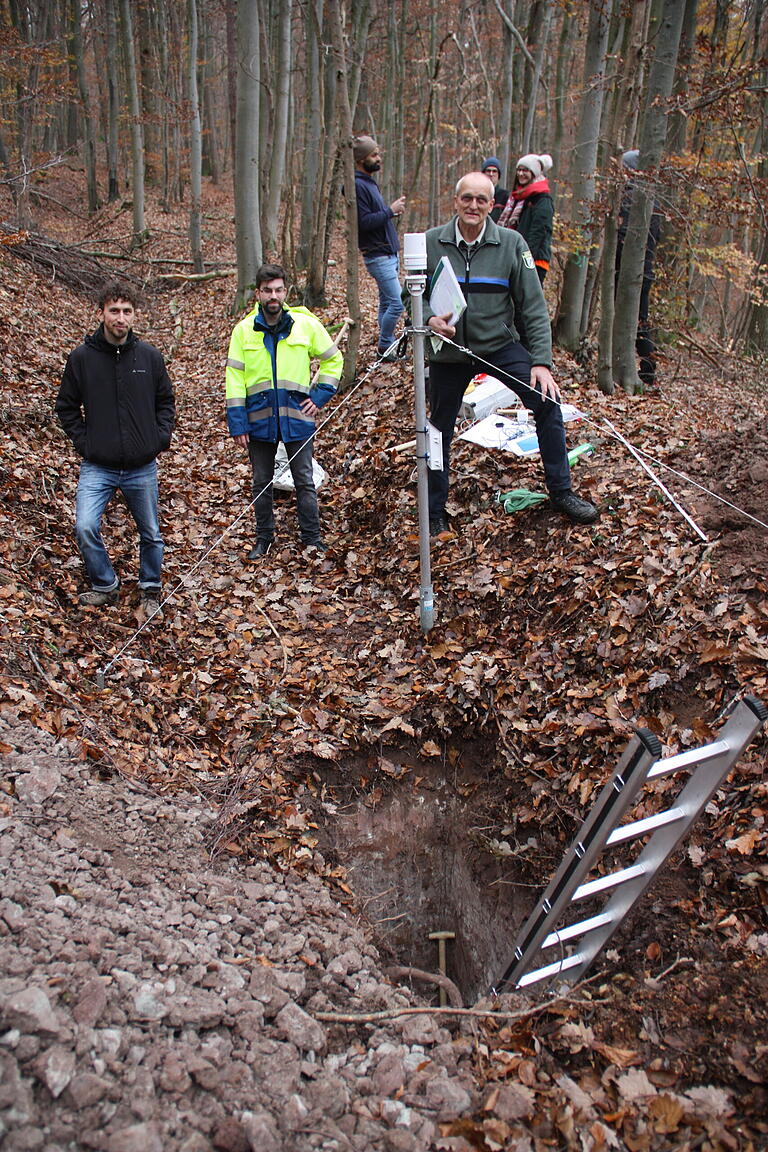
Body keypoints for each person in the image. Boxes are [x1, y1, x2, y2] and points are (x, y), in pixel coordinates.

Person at [423, 172, 598, 535]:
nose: (473, 206)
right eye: (467, 198)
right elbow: (408, 294)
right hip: (449, 353)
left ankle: (561, 492)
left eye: (481, 200)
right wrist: (428, 318)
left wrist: (541, 362)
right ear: (455, 201)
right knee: (437, 429)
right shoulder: (429, 242)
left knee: (547, 402)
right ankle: (434, 511)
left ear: (492, 204)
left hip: (499, 347)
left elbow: (533, 306)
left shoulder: (511, 243)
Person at [55, 281, 175, 617]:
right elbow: (66, 407)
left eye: (126, 312)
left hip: (142, 464)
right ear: (102, 313)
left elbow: (165, 401)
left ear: (134, 315)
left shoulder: (149, 356)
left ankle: (151, 589)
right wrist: (85, 442)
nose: (120, 318)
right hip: (98, 464)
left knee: (151, 532)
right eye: (114, 311)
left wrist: (158, 438)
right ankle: (105, 585)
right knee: (85, 526)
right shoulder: (82, 358)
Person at [225, 263, 343, 559]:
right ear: (258, 293)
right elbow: (235, 380)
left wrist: (319, 396)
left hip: (297, 416)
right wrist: (238, 423)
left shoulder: (305, 324)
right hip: (259, 419)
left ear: (285, 292)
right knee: (261, 482)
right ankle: (264, 538)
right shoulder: (243, 332)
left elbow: (333, 360)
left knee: (304, 479)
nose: (273, 296)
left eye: (278, 290)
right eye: (267, 291)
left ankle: (312, 539)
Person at [353, 135, 406, 360]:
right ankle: (385, 346)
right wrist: (390, 211)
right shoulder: (356, 185)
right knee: (398, 302)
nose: (378, 159)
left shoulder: (367, 183)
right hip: (377, 254)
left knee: (386, 301)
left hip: (387, 252)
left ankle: (387, 342)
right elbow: (364, 223)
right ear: (361, 159)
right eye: (373, 155)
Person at [615, 150, 662, 387]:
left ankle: (648, 370)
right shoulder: (650, 198)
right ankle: (646, 367)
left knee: (638, 320)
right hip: (642, 270)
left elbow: (628, 236)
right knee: (640, 320)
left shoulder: (633, 197)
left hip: (633, 272)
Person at [497, 152, 554, 284]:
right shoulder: (517, 198)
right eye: (519, 170)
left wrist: (525, 260)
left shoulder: (542, 200)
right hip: (516, 257)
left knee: (527, 302)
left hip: (534, 261)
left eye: (526, 170)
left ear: (534, 173)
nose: (521, 174)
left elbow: (538, 233)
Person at [481, 157, 509, 223]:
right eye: (488, 171)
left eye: (494, 171)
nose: (491, 174)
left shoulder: (505, 196)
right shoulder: (477, 194)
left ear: (498, 175)